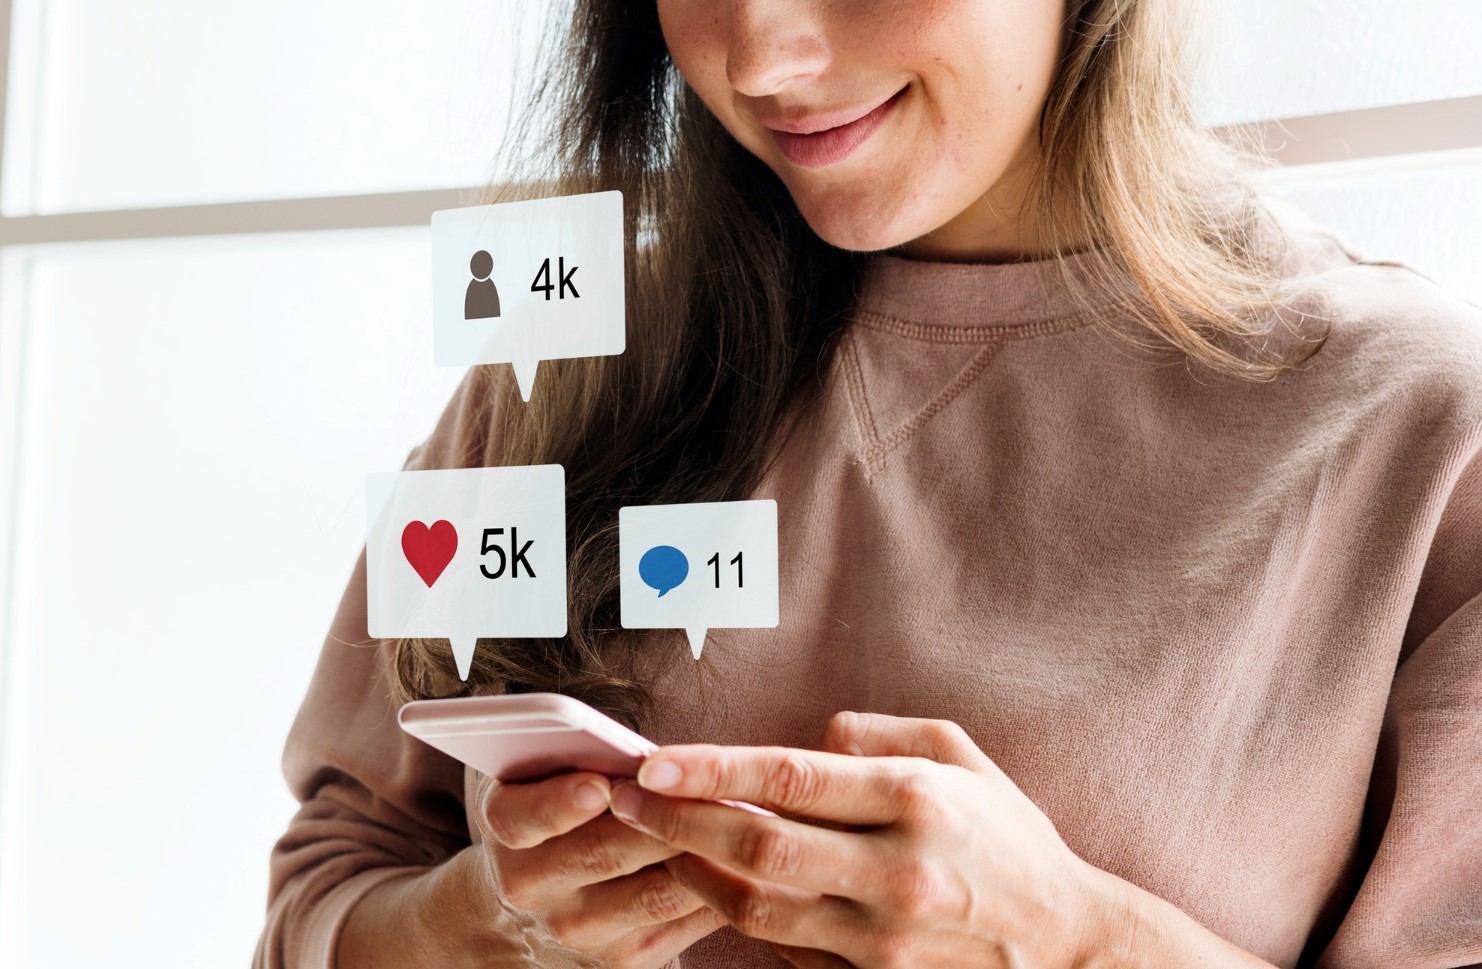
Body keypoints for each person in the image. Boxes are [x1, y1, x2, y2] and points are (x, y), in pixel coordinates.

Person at [254, 0, 1482, 967]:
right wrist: (484, 927)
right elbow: (324, 889)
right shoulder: (571, 360)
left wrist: (1074, 946)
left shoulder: (1417, 430)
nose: (763, 55)